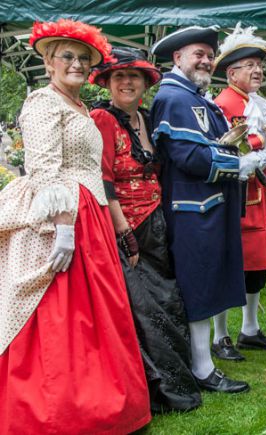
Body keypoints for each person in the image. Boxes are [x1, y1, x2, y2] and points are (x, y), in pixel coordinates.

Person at [0, 19, 151, 432]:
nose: (78, 64)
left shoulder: (80, 106)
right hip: (65, 216)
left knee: (98, 314)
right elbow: (45, 169)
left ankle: (104, 402)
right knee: (63, 313)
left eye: (84, 58)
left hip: (92, 214)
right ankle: (60, 411)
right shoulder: (42, 103)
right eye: (68, 56)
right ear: (48, 61)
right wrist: (63, 228)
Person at [150, 26, 266, 393]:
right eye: (198, 53)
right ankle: (202, 367)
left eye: (210, 54)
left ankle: (203, 360)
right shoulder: (175, 98)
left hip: (205, 206)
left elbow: (213, 144)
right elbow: (187, 155)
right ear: (177, 58)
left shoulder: (194, 97)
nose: (206, 60)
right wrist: (239, 165)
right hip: (192, 208)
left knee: (207, 281)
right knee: (198, 285)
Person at [89, 46, 202, 412]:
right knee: (139, 307)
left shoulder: (147, 118)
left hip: (156, 220)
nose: (126, 82)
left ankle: (176, 383)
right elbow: (103, 178)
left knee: (166, 300)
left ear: (144, 83)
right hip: (124, 225)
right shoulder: (102, 119)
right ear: (107, 82)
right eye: (118, 76)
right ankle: (153, 392)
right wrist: (122, 231)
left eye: (133, 77)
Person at [213, 23, 266, 356]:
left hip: (263, 196)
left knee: (258, 265)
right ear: (232, 73)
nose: (258, 70)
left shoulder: (256, 102)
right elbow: (229, 147)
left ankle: (250, 329)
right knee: (232, 264)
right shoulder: (225, 103)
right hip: (240, 198)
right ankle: (220, 336)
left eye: (260, 65)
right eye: (250, 66)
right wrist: (264, 144)